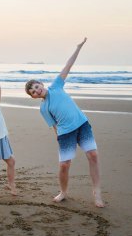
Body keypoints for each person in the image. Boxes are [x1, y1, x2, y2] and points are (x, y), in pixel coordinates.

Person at [24, 38, 104, 207]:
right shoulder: (43, 108)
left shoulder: (57, 86)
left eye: (36, 87)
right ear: (34, 97)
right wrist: (59, 139)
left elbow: (68, 66)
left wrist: (78, 48)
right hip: (65, 134)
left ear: (41, 84)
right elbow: (53, 125)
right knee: (64, 165)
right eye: (33, 92)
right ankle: (63, 192)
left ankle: (97, 193)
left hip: (82, 125)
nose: (36, 91)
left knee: (93, 156)